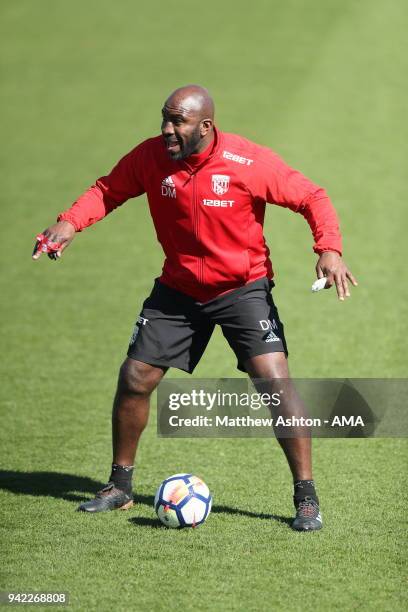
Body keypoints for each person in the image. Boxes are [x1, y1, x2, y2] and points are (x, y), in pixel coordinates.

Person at [32, 85, 357, 531]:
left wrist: (329, 249)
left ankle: (306, 498)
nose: (167, 129)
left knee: (276, 384)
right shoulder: (151, 158)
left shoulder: (248, 162)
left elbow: (311, 197)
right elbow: (108, 189)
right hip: (179, 289)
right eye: (164, 119)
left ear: (205, 126)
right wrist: (69, 222)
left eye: (177, 122)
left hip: (242, 289)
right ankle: (120, 486)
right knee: (135, 377)